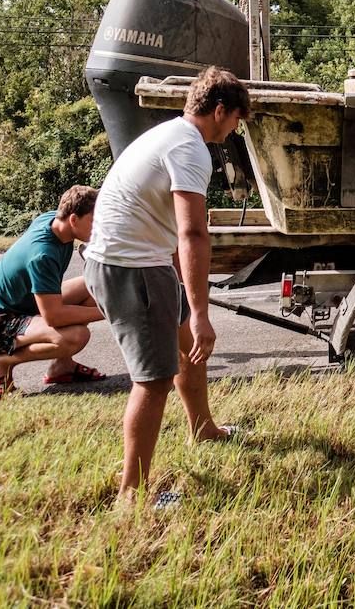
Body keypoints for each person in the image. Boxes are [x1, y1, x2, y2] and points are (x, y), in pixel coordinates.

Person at [83, 66, 249, 504]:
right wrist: (200, 313)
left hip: (135, 262)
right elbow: (194, 234)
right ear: (219, 111)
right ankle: (131, 496)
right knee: (154, 380)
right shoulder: (190, 149)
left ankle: (204, 429)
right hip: (132, 269)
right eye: (236, 120)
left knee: (185, 350)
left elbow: (175, 233)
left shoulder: (169, 134)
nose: (234, 130)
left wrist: (185, 300)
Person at [0, 185, 105, 399]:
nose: (100, 227)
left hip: (24, 305)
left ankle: (63, 367)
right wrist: (108, 311)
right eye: (94, 220)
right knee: (76, 336)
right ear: (73, 220)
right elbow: (53, 316)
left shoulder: (53, 220)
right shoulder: (42, 255)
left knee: (93, 284)